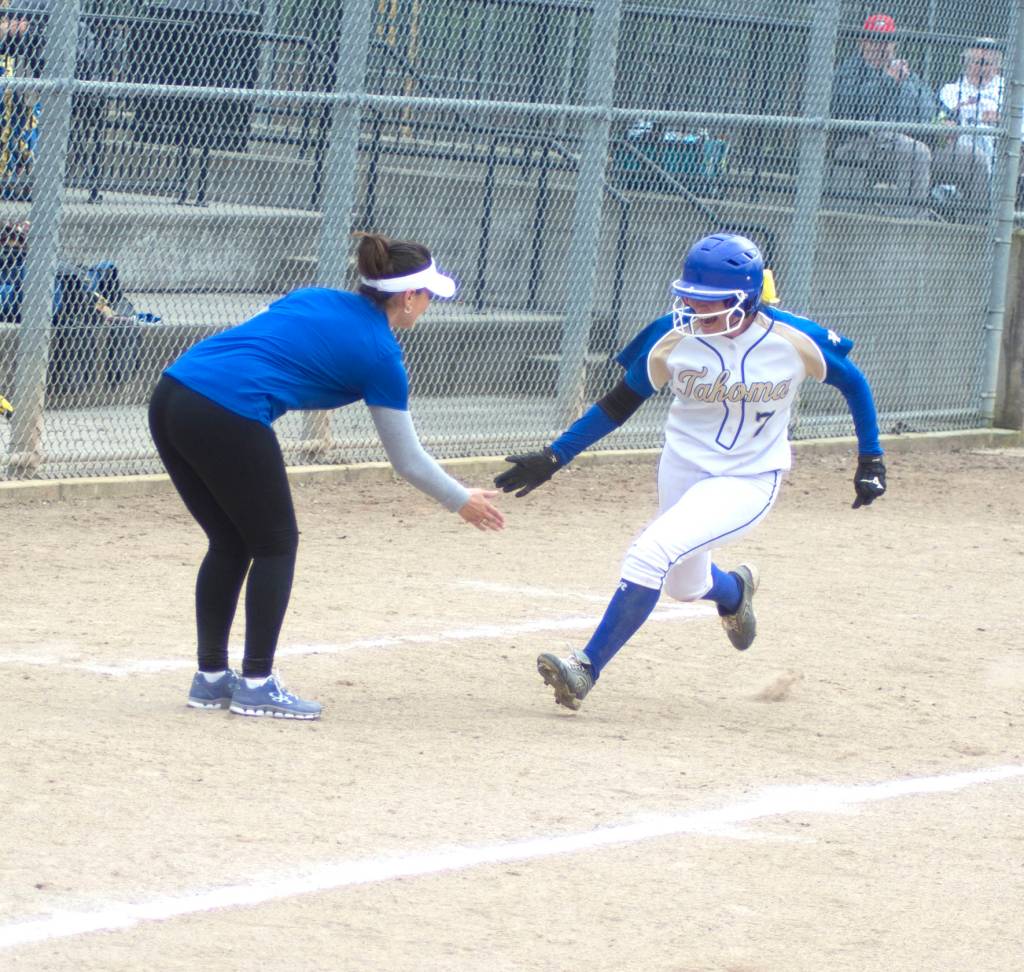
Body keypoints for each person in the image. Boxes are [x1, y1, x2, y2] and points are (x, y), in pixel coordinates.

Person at [494, 233, 886, 711]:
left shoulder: (793, 338)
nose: (696, 309)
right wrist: (556, 455)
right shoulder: (674, 336)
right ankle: (734, 592)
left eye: (710, 300)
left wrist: (870, 458)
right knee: (684, 586)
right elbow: (618, 404)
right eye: (690, 297)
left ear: (746, 299)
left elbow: (855, 383)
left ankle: (585, 668)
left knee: (649, 553)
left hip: (748, 478)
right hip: (681, 468)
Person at [149, 232, 506, 721]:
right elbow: (406, 459)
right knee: (276, 544)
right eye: (427, 295)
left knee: (230, 541)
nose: (428, 305)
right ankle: (256, 684)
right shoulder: (382, 355)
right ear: (407, 297)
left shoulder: (313, 295)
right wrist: (459, 498)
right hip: (227, 410)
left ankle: (211, 679)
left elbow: (254, 341)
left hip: (172, 395)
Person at [830, 13, 939, 213]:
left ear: (894, 43)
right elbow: (851, 108)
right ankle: (910, 221)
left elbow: (929, 109)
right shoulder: (850, 70)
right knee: (917, 152)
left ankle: (979, 221)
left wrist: (905, 84)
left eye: (887, 40)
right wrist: (888, 81)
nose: (882, 46)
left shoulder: (907, 74)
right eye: (875, 40)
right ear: (863, 42)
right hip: (860, 141)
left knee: (974, 159)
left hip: (905, 140)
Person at [933, 38, 1005, 210]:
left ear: (997, 67)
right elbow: (943, 119)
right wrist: (956, 114)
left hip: (999, 146)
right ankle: (952, 195)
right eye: (976, 62)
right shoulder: (951, 90)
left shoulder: (1007, 90)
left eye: (987, 63)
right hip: (960, 145)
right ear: (966, 63)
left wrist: (1002, 119)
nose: (981, 68)